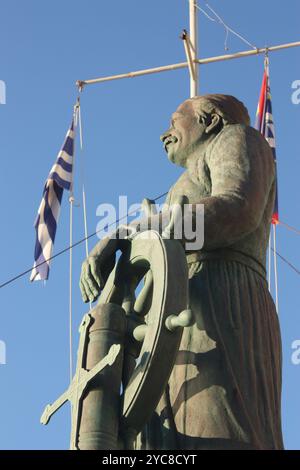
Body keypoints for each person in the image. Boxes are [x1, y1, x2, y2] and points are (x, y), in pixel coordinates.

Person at [80, 94, 284, 450]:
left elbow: (237, 207)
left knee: (220, 424)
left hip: (223, 299)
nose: (164, 134)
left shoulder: (238, 138)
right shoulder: (181, 184)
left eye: (174, 122)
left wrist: (126, 233)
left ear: (210, 120)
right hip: (175, 312)